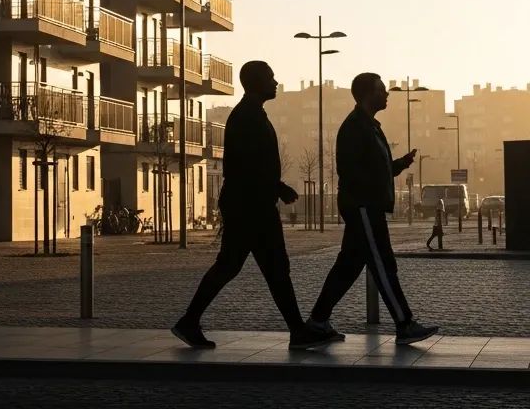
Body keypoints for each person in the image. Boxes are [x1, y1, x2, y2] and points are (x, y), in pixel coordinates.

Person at [171, 61, 333, 350]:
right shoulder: (247, 117)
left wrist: (276, 187)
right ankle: (295, 331)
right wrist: (278, 187)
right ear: (256, 82)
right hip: (250, 207)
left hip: (250, 204)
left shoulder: (252, 114)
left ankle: (191, 320)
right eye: (270, 78)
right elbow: (249, 167)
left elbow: (254, 166)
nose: (275, 82)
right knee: (259, 267)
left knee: (253, 266)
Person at [307, 72, 439, 345]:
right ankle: (404, 323)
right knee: (383, 264)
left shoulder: (369, 126)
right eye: (382, 90)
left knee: (348, 266)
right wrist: (369, 196)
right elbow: (352, 172)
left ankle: (318, 321)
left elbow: (377, 170)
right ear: (369, 94)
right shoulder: (355, 127)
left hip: (366, 206)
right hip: (363, 207)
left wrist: (400, 163)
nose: (387, 94)